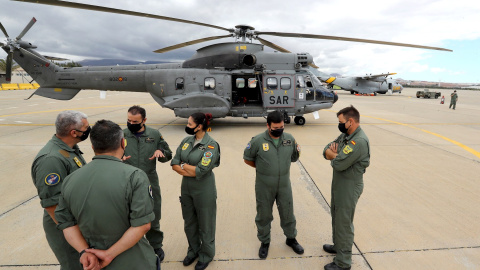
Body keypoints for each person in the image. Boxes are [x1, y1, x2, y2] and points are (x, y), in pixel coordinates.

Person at [55, 120, 159, 270]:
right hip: (133, 262)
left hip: (91, 262)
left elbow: (66, 223)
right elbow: (142, 225)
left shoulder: (70, 179)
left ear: (93, 146)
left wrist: (84, 251)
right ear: (123, 143)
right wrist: (109, 254)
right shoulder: (135, 176)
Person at [31, 110, 90, 270]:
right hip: (66, 228)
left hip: (76, 221)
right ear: (74, 132)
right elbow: (52, 206)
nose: (88, 130)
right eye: (86, 127)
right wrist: (77, 239)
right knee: (75, 266)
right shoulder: (51, 160)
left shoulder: (69, 149)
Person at [243, 111, 304, 259]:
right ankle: (265, 242)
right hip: (264, 185)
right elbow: (248, 159)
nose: (279, 129)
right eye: (276, 127)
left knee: (288, 212)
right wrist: (264, 169)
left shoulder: (289, 139)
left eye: (282, 126)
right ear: (268, 126)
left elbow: (295, 157)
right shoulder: (257, 141)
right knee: (264, 215)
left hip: (284, 184)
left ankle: (291, 239)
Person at [322, 106, 370, 270]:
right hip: (340, 183)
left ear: (350, 121)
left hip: (349, 185)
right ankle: (338, 246)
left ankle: (343, 262)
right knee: (336, 216)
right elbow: (325, 150)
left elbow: (340, 163)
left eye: (341, 122)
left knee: (344, 222)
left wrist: (334, 155)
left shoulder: (359, 141)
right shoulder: (346, 135)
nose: (339, 125)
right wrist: (334, 155)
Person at [171, 113, 220, 270]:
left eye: (190, 124)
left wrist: (184, 166)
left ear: (199, 126)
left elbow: (202, 170)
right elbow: (174, 163)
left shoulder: (211, 145)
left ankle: (206, 254)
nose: (188, 126)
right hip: (186, 188)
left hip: (204, 189)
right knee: (189, 222)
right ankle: (193, 251)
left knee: (206, 223)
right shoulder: (186, 141)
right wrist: (186, 168)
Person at [123, 105, 172, 261]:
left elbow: (168, 154)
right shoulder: (121, 135)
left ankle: (155, 245)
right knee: (126, 215)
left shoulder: (154, 134)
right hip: (125, 182)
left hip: (149, 181)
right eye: (129, 120)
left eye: (135, 121)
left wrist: (161, 153)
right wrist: (118, 160)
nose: (131, 123)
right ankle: (130, 246)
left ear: (144, 120)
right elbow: (109, 154)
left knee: (153, 214)